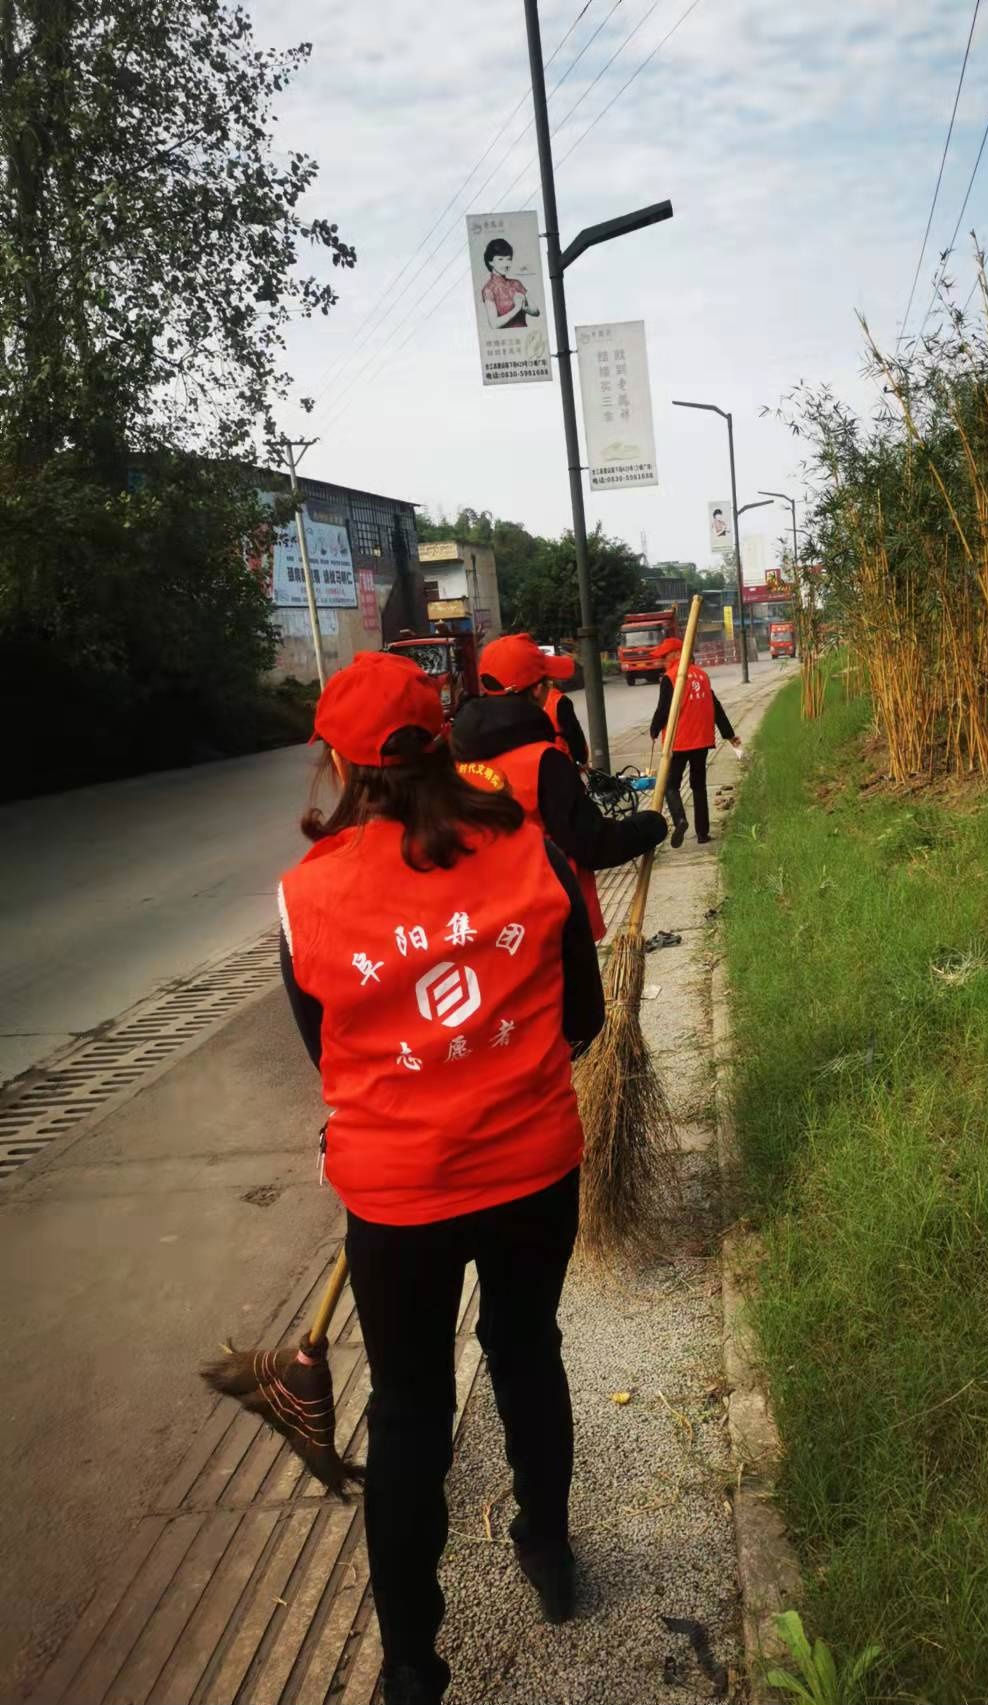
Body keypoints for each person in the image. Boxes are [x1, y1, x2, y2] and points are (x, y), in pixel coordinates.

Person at [277, 651, 604, 1705]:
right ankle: (546, 1548)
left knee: (410, 1411)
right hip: (532, 1168)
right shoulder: (532, 849)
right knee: (526, 1347)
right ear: (443, 740)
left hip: (396, 1198)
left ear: (337, 762)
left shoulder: (305, 896)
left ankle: (414, 1666)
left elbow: (326, 1053)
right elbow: (584, 1017)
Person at [450, 633, 667, 939]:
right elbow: (592, 844)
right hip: (550, 925)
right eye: (548, 681)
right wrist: (648, 827)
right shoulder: (545, 762)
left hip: (484, 926)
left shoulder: (454, 758)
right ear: (537, 690)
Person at [648, 639, 741, 847]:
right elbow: (716, 707)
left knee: (671, 785)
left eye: (664, 657)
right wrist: (729, 735)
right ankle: (702, 833)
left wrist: (654, 730)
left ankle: (680, 819)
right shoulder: (702, 675)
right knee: (698, 786)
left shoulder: (671, 677)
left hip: (679, 742)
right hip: (702, 741)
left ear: (676, 654)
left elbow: (663, 709)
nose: (662, 661)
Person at [480, 237, 542, 332]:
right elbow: (494, 324)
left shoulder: (516, 284)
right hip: (506, 339)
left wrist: (524, 308)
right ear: (490, 262)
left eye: (508, 259)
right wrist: (516, 309)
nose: (506, 264)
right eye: (500, 259)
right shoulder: (488, 289)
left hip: (524, 335)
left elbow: (536, 311)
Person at [544, 674, 588, 766]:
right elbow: (574, 733)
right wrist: (582, 760)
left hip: (546, 759)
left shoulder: (535, 703)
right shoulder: (561, 701)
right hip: (564, 757)